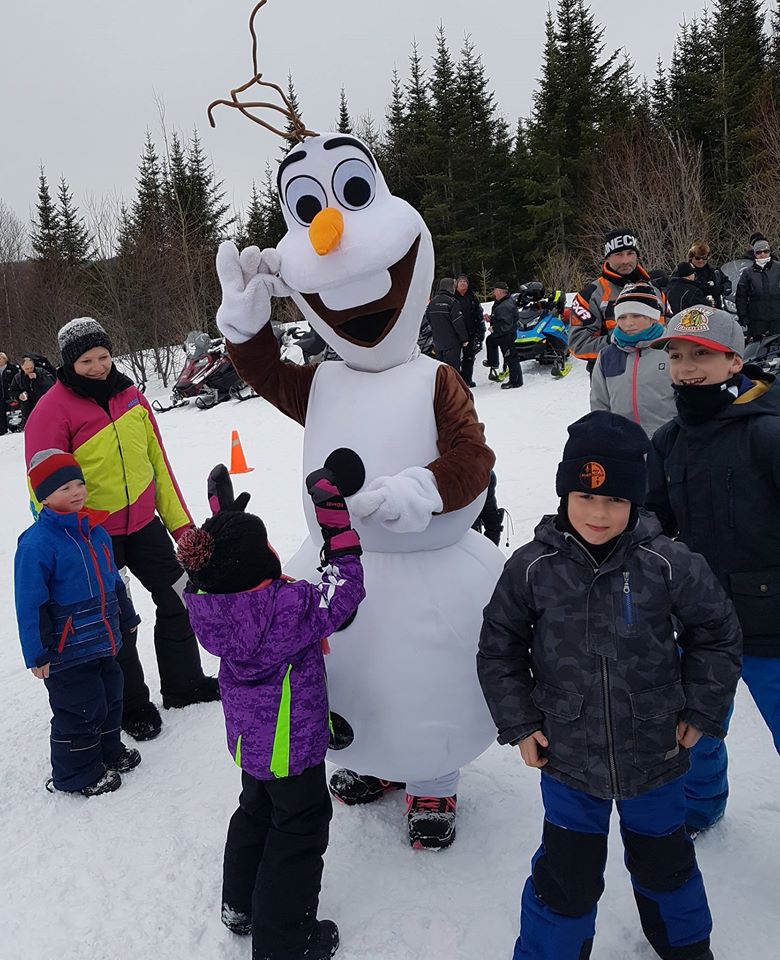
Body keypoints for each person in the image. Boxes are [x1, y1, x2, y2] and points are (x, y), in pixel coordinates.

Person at [478, 410, 741, 960]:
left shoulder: (666, 562)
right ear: (564, 493)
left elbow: (717, 631)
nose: (599, 514)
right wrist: (520, 722)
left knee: (667, 866)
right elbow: (499, 648)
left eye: (616, 499)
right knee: (565, 875)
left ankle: (687, 949)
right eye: (585, 496)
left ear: (635, 500)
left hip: (656, 751)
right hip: (568, 756)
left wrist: (702, 707)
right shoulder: (531, 568)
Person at [179, 466, 365, 960]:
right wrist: (336, 526)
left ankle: (239, 905)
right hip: (291, 747)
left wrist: (222, 518)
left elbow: (220, 564)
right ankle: (286, 942)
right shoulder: (287, 608)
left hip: (252, 743)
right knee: (299, 830)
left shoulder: (210, 603)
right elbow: (344, 589)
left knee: (256, 810)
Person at [24, 317, 218, 742]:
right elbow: (42, 490)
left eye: (104, 357)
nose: (98, 367)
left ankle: (185, 683)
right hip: (93, 538)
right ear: (69, 363)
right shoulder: (50, 411)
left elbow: (158, 465)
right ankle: (131, 704)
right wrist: (66, 544)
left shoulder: (132, 396)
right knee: (116, 622)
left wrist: (182, 528)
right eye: (87, 361)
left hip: (145, 525)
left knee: (181, 595)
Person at [646, 306, 780, 836]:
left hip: (772, 625)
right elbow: (654, 520)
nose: (687, 367)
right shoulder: (669, 441)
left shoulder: (768, 432)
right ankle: (699, 810)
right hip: (700, 622)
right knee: (693, 728)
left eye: (702, 354)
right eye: (677, 356)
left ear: (734, 362)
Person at [14, 449, 143, 796]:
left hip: (103, 640)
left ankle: (108, 751)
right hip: (66, 651)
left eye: (79, 483)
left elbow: (114, 580)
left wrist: (127, 614)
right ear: (44, 497)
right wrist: (36, 653)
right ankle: (76, 775)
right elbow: (29, 603)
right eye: (64, 488)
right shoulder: (37, 544)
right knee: (80, 710)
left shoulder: (96, 533)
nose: (76, 492)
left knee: (111, 698)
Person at [569, 228, 665, 372]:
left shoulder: (655, 290)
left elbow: (670, 329)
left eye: (630, 253)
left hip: (656, 373)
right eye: (618, 254)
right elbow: (578, 344)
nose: (625, 260)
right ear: (607, 257)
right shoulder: (590, 296)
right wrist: (617, 341)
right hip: (612, 375)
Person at [590, 283, 674, 438]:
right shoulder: (607, 356)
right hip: (623, 443)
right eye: (622, 317)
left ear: (652, 317)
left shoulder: (671, 350)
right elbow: (600, 404)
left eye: (637, 315)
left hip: (668, 441)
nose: (628, 323)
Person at [735, 239, 780, 341]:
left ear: (769, 252)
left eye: (765, 251)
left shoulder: (778, 268)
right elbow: (741, 295)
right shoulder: (748, 272)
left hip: (777, 317)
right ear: (755, 254)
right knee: (756, 346)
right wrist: (743, 315)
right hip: (757, 319)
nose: (763, 254)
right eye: (759, 252)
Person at [424, 277, 469, 373]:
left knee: (442, 371)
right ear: (450, 287)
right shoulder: (452, 302)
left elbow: (428, 318)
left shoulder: (432, 302)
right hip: (451, 343)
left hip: (438, 343)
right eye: (453, 286)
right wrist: (464, 338)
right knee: (453, 371)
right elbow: (458, 322)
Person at [485, 281, 523, 389]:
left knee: (511, 358)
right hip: (502, 334)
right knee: (490, 340)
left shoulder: (506, 305)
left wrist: (494, 328)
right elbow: (501, 318)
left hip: (507, 335)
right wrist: (491, 319)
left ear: (499, 291)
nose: (493, 292)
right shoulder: (501, 302)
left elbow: (506, 324)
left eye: (495, 290)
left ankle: (516, 381)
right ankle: (493, 362)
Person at [454, 274, 486, 387]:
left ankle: (467, 380)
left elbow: (479, 314)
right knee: (455, 358)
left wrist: (481, 331)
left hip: (471, 332)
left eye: (465, 281)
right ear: (456, 284)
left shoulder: (472, 297)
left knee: (469, 357)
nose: (463, 283)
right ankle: (456, 381)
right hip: (455, 333)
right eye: (460, 281)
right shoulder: (452, 297)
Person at [11, 355, 55, 425]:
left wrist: (38, 378)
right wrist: (19, 396)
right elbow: (12, 391)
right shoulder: (17, 378)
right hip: (28, 409)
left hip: (44, 405)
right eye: (27, 369)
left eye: (31, 367)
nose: (29, 370)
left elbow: (52, 384)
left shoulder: (41, 372)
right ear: (22, 367)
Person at [472, 470, 504, 545]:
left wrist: (490, 548)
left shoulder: (483, 474)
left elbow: (491, 519)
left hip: (471, 543)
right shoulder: (484, 474)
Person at [687, 241, 724, 306]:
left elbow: (727, 283)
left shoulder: (713, 271)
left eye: (704, 258)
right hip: (692, 308)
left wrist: (720, 289)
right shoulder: (684, 270)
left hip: (714, 308)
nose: (701, 261)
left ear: (708, 257)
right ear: (691, 257)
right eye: (697, 258)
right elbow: (673, 287)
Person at [0, 352, 20, 435]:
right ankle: (2, 430)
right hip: (1, 396)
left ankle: (16, 426)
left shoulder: (12, 368)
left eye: (1, 359)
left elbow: (18, 379)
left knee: (14, 411)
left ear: (5, 359)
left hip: (10, 395)